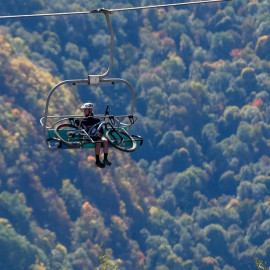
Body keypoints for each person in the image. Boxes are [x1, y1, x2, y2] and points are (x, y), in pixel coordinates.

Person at [80, 102, 112, 168]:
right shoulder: (83, 121)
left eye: (86, 110)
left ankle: (105, 159)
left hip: (96, 136)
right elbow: (82, 130)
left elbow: (101, 131)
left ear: (90, 110)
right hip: (88, 137)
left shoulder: (96, 120)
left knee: (105, 140)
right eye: (84, 110)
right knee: (98, 141)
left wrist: (99, 134)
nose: (84, 111)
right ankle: (97, 161)